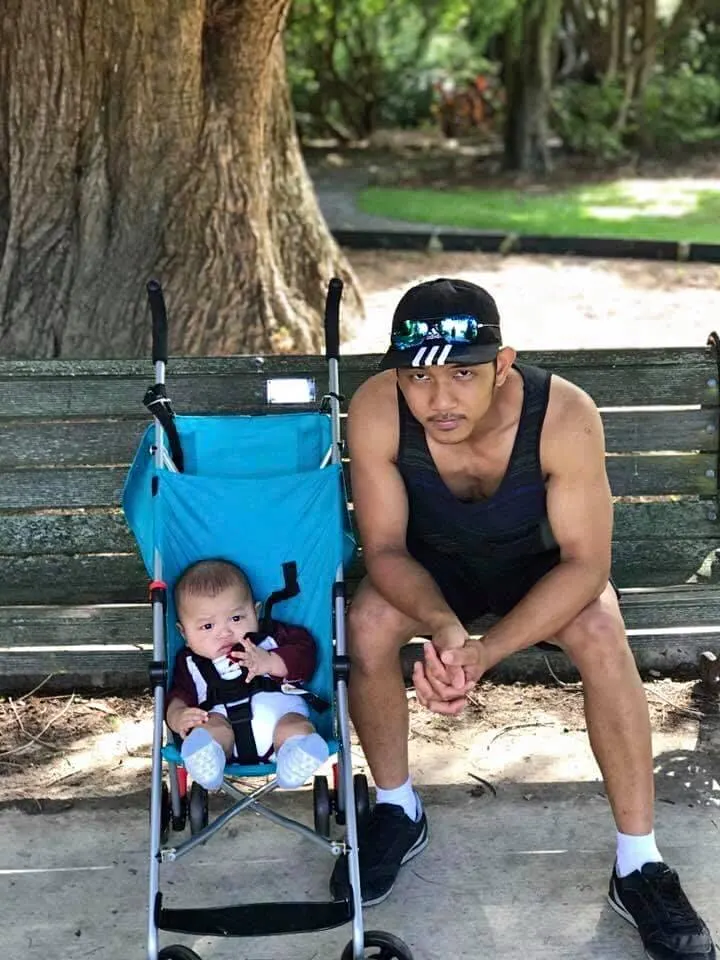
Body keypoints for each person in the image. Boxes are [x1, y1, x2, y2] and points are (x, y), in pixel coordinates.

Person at [330, 278, 716, 960]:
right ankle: (395, 808)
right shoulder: (377, 409)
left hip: (539, 571)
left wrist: (486, 651)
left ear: (502, 365)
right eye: (418, 376)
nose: (439, 399)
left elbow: (586, 566)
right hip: (434, 573)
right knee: (365, 621)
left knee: (600, 627)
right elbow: (385, 550)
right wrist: (444, 626)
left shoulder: (563, 414)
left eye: (462, 374)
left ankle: (639, 863)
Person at [166, 558, 329, 790]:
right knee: (209, 729)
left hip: (282, 722)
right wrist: (178, 716)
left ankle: (296, 758)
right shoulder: (190, 663)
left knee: (296, 726)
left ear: (255, 612)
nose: (224, 632)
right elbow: (177, 696)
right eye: (207, 626)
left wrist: (271, 661)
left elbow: (306, 655)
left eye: (236, 618)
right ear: (184, 633)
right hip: (224, 737)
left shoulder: (272, 638)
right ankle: (206, 759)